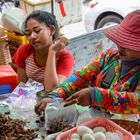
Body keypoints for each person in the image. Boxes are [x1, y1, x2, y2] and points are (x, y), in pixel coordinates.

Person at [35, 10, 140, 115]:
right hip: (97, 121)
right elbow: (81, 77)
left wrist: (96, 96)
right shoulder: (109, 58)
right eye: (120, 42)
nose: (121, 48)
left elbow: (136, 102)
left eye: (128, 46)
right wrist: (56, 96)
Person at [13, 10, 74, 92]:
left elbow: (52, 89)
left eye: (37, 30)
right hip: (30, 100)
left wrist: (52, 52)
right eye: (28, 33)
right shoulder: (24, 50)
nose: (32, 37)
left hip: (54, 100)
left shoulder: (65, 57)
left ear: (51, 30)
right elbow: (22, 86)